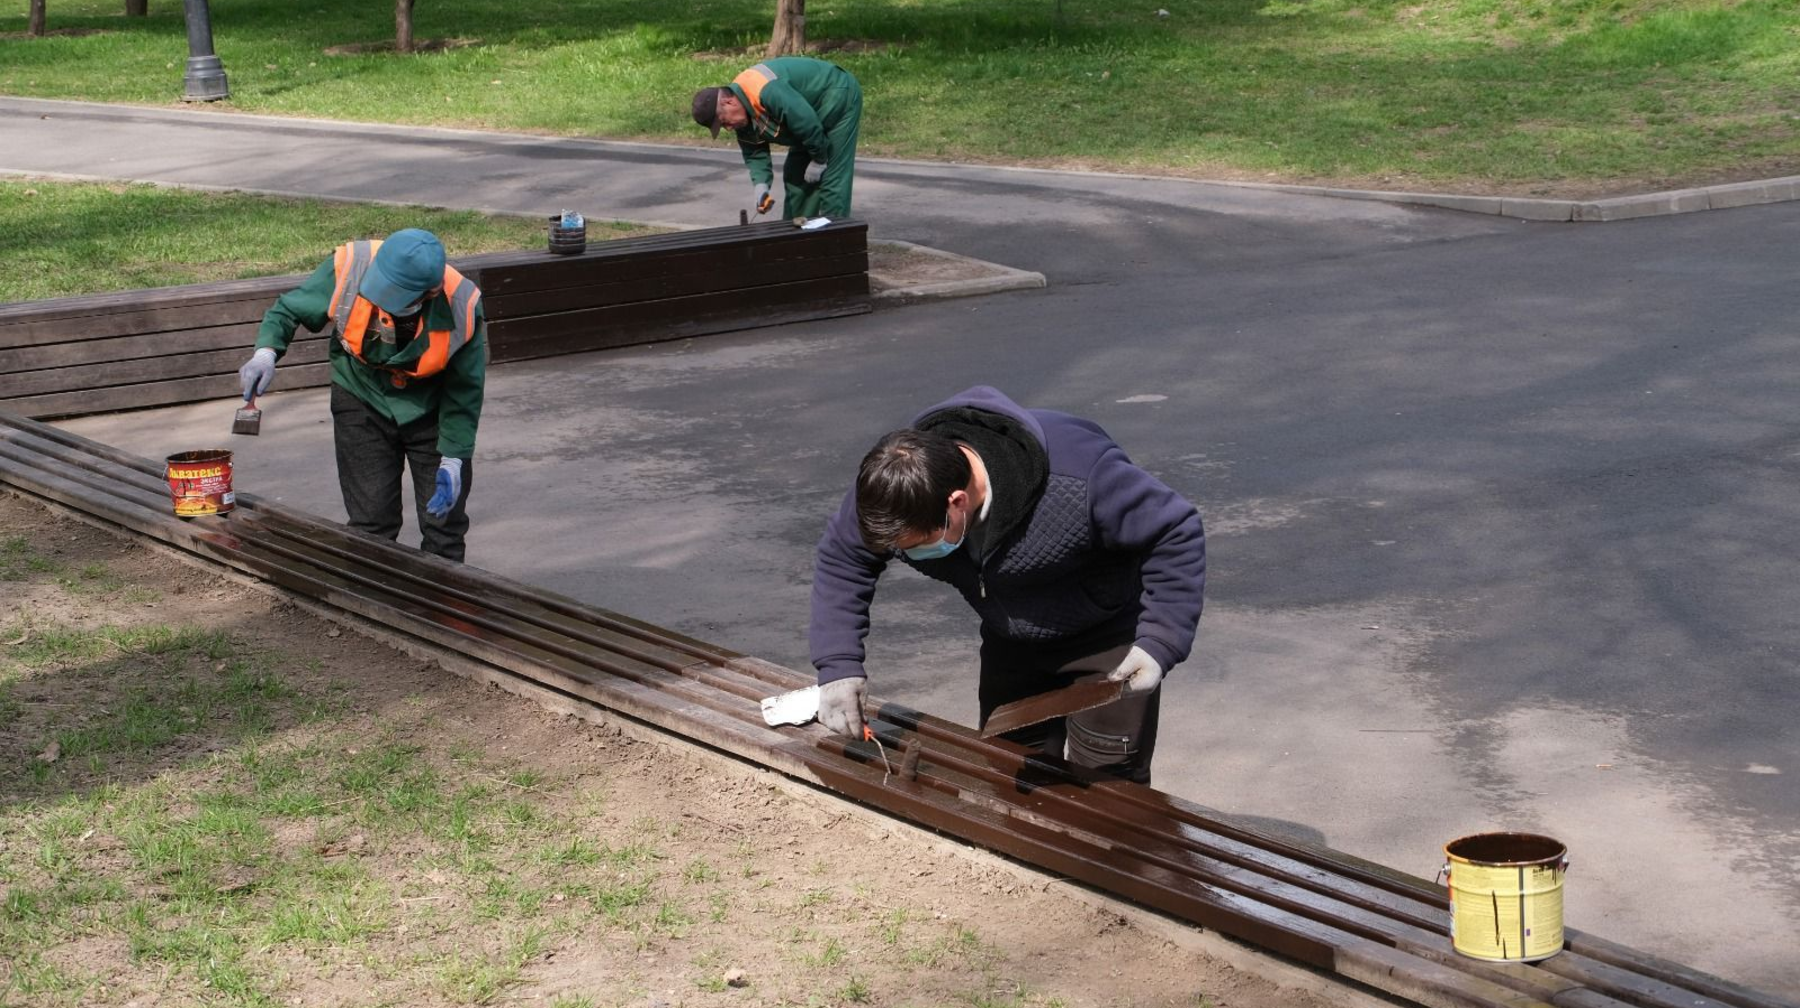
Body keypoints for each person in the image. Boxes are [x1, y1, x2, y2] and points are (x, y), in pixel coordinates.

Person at [808, 386, 1206, 784]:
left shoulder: (1080, 475)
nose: (908, 553)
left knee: (1107, 786)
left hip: (1106, 642)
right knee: (1009, 772)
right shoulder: (893, 489)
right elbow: (844, 556)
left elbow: (1174, 531)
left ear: (956, 503)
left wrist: (1160, 642)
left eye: (917, 545)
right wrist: (838, 665)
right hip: (1011, 642)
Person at [238, 228, 486, 562]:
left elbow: (465, 388)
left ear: (431, 292)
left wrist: (454, 456)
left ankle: (444, 595)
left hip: (430, 409)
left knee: (444, 524)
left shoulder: (462, 305)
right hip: (360, 395)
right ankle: (369, 593)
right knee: (371, 522)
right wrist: (266, 352)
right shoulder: (351, 267)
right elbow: (289, 310)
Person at [691, 56, 863, 220]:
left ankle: (836, 236)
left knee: (832, 179)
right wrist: (761, 185)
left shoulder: (766, 90)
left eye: (724, 122)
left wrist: (819, 159)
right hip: (806, 120)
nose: (728, 128)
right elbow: (754, 152)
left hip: (837, 94)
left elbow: (805, 122)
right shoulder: (741, 112)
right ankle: (799, 234)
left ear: (728, 102)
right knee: (796, 176)